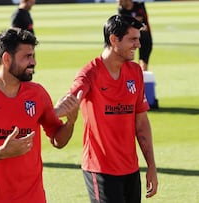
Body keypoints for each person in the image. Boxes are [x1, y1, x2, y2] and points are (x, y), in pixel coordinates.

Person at [0, 28, 81, 203]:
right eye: (27, 56)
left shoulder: (38, 93)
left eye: (33, 55)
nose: (33, 62)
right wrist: (1, 152)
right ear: (6, 59)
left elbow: (58, 140)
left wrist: (71, 122)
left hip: (33, 198)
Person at [55, 15, 158, 202]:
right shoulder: (90, 73)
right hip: (100, 169)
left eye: (138, 39)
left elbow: (141, 122)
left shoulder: (135, 72)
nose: (138, 45)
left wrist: (151, 166)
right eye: (132, 39)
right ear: (113, 39)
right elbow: (71, 99)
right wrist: (53, 113)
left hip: (130, 169)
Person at [118, 0, 152, 71]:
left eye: (120, 0)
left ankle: (142, 77)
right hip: (129, 38)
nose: (118, 2)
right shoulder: (121, 10)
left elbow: (144, 22)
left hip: (144, 36)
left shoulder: (140, 6)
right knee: (126, 62)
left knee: (143, 62)